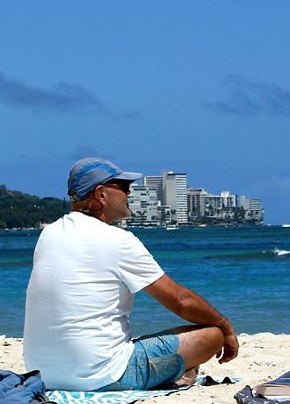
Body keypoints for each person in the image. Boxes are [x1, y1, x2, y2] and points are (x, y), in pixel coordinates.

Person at [23, 157, 238, 391]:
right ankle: (178, 374)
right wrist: (226, 328)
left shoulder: (49, 234)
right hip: (102, 377)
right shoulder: (117, 241)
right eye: (124, 187)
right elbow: (181, 301)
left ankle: (176, 371)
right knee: (212, 336)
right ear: (101, 194)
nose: (129, 193)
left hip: (42, 374)